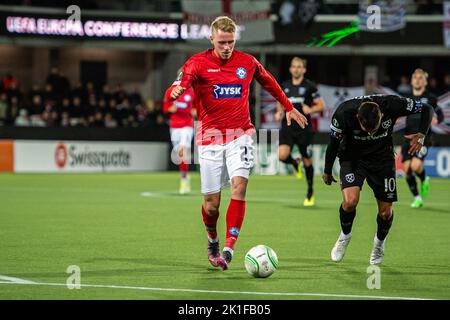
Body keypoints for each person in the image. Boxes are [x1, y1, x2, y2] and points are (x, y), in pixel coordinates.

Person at [168, 16, 307, 270]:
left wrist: (288, 106)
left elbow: (269, 82)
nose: (227, 47)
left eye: (231, 42)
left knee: (239, 187)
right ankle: (213, 241)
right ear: (212, 39)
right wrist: (173, 92)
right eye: (222, 42)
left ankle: (230, 248)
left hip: (240, 134)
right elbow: (176, 87)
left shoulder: (247, 62)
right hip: (209, 138)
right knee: (211, 206)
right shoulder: (197, 63)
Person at [323, 94, 433, 265]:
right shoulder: (343, 112)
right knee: (350, 201)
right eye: (366, 129)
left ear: (381, 114)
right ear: (358, 117)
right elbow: (333, 144)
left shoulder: (393, 104)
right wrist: (327, 170)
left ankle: (379, 244)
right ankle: (345, 236)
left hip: (382, 159)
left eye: (374, 129)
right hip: (352, 158)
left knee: (385, 212)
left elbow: (427, 108)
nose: (370, 133)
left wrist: (421, 134)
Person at [275, 57, 326, 206]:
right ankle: (295, 164)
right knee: (282, 155)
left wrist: (311, 109)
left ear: (304, 69)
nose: (296, 69)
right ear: (290, 69)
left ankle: (310, 192)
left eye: (299, 67)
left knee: (307, 159)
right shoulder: (284, 86)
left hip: (304, 128)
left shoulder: (310, 86)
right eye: (294, 66)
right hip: (288, 127)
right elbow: (279, 100)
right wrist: (279, 111)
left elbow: (322, 105)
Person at [402, 69, 444, 208]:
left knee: (415, 166)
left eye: (420, 78)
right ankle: (417, 197)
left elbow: (440, 114)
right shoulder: (407, 97)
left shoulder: (430, 98)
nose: (417, 79)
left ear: (425, 81)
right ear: (412, 80)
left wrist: (437, 120)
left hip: (423, 137)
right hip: (408, 136)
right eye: (415, 77)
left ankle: (424, 178)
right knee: (407, 169)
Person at [163, 78, 197, 194]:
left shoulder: (192, 94)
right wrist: (169, 109)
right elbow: (165, 107)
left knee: (183, 151)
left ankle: (183, 179)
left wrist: (195, 112)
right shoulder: (171, 91)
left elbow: (196, 109)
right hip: (174, 126)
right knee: (179, 154)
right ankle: (185, 175)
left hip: (187, 126)